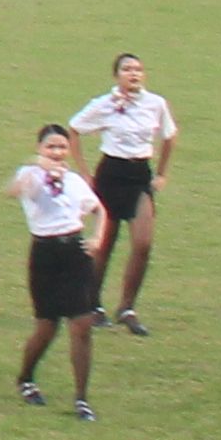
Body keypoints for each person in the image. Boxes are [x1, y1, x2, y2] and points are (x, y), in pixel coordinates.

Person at [12, 121, 111, 419]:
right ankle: (26, 377)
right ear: (40, 148)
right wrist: (39, 168)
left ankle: (81, 398)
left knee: (81, 325)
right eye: (51, 147)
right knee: (47, 326)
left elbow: (99, 209)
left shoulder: (74, 181)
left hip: (75, 254)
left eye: (62, 147)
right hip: (45, 254)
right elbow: (14, 190)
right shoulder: (30, 175)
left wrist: (98, 238)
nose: (57, 152)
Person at [77, 53, 178, 335]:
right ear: (116, 75)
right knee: (104, 244)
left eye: (138, 69)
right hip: (111, 174)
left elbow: (169, 136)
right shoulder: (104, 104)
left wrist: (161, 173)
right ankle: (92, 305)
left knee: (143, 243)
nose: (134, 74)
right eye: (127, 69)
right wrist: (85, 173)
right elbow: (74, 129)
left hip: (139, 176)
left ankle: (127, 308)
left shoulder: (155, 103)